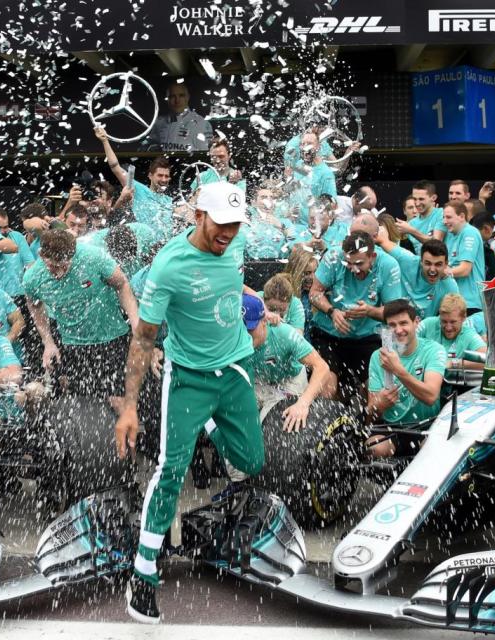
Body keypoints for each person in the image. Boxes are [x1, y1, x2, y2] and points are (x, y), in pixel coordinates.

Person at [114, 181, 263, 624]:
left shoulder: (234, 246)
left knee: (251, 463)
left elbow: (233, 280)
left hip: (235, 370)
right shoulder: (169, 266)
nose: (229, 233)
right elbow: (144, 338)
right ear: (198, 215)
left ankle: (212, 426)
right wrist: (129, 405)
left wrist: (253, 302)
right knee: (170, 470)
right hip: (188, 379)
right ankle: (143, 575)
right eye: (222, 224)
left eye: (236, 225)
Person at [22, 228, 138, 401]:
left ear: (73, 255)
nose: (59, 273)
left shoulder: (94, 257)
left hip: (113, 338)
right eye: (53, 267)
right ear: (41, 255)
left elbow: (122, 285)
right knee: (84, 405)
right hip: (73, 346)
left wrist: (136, 324)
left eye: (64, 266)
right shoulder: (32, 278)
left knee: (119, 401)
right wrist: (48, 342)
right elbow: (35, 307)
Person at [309, 230, 403, 391]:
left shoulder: (388, 265)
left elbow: (394, 314)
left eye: (359, 264)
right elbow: (314, 293)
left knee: (373, 390)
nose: (354, 269)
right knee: (328, 388)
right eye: (349, 263)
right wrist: (332, 312)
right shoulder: (333, 257)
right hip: (328, 334)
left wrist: (370, 311)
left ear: (372, 257)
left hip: (367, 337)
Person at [367, 300, 447, 456]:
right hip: (392, 428)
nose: (398, 330)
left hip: (427, 426)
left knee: (432, 449)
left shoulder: (434, 350)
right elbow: (371, 412)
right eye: (392, 325)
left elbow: (431, 396)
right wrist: (379, 405)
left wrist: (398, 370)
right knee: (373, 448)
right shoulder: (378, 356)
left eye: (404, 323)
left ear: (416, 322)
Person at [243, 294, 334, 430]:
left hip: (289, 380)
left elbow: (322, 367)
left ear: (263, 321)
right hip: (259, 381)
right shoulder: (235, 338)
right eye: (241, 329)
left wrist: (303, 403)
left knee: (276, 427)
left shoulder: (284, 333)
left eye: (250, 329)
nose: (245, 335)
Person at [98, 127, 176, 242]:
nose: (164, 179)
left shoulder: (170, 201)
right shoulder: (138, 189)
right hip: (142, 247)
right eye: (160, 175)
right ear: (150, 176)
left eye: (166, 176)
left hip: (164, 249)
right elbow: (115, 167)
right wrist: (105, 141)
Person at [375, 227, 458, 319]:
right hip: (394, 323)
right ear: (421, 261)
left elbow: (455, 317)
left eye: (438, 264)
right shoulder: (408, 260)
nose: (432, 269)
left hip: (423, 330)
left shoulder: (449, 286)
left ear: (446, 264)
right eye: (428, 263)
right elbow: (383, 241)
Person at [416, 293, 486, 371]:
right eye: (444, 321)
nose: (448, 328)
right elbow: (404, 343)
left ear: (463, 318)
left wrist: (453, 363)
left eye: (453, 322)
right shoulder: (427, 324)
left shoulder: (469, 335)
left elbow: (487, 360)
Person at [442, 201, 485, 314]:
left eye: (448, 217)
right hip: (453, 301)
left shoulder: (470, 232)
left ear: (461, 216)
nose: (444, 221)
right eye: (443, 217)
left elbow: (465, 270)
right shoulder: (449, 235)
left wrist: (441, 272)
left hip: (470, 302)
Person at [148, 81, 214, 152]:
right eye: (172, 96)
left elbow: (205, 154)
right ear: (167, 99)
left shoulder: (201, 123)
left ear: (187, 97)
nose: (177, 101)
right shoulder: (159, 122)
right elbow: (151, 147)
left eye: (181, 95)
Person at [282, 245, 319, 340]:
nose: (312, 278)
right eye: (307, 273)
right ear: (296, 273)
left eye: (315, 272)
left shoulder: (322, 293)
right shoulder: (282, 294)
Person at [397, 180, 444, 254]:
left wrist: (411, 231)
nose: (417, 203)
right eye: (415, 199)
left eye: (421, 199)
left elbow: (437, 245)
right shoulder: (411, 223)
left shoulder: (441, 214)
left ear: (433, 197)